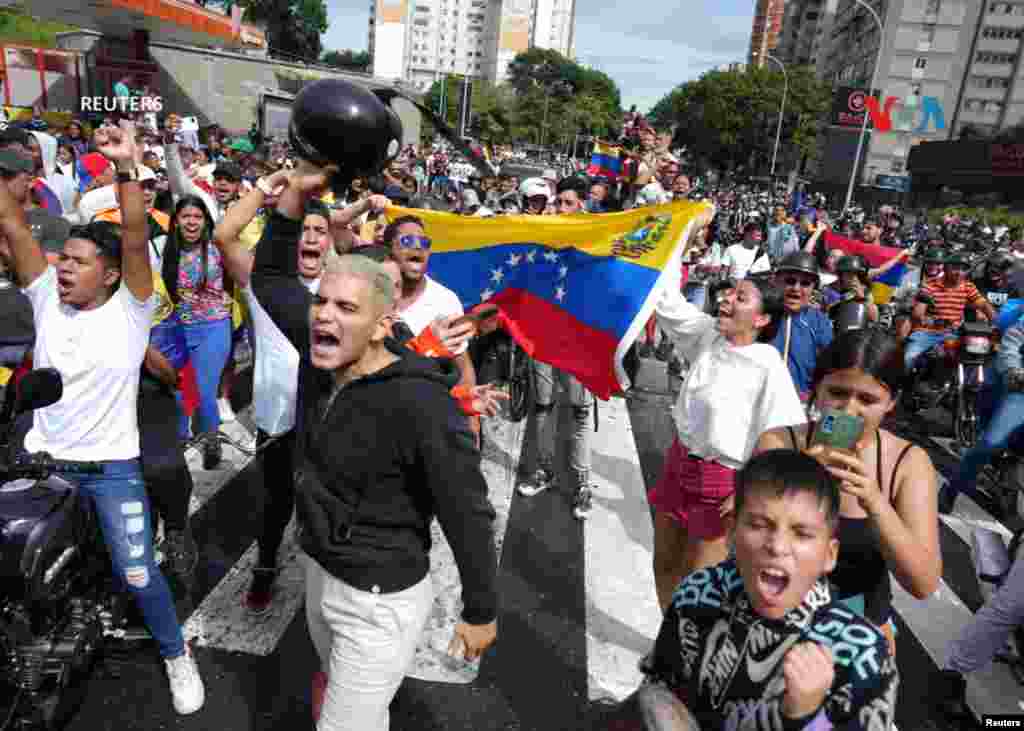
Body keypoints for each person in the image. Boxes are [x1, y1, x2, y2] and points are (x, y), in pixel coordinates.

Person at [252, 159, 498, 731]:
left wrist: (480, 609)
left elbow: (466, 506)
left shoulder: (421, 402)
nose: (323, 317)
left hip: (379, 601)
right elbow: (269, 278)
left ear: (382, 326)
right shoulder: (323, 352)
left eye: (345, 308)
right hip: (320, 572)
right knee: (340, 694)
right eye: (321, 303)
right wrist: (295, 198)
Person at [0, 121, 204, 714]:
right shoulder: (45, 300)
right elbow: (13, 224)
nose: (62, 267)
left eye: (80, 262)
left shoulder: (133, 311)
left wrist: (125, 169)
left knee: (139, 575)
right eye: (62, 258)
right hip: (45, 467)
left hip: (113, 470)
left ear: (111, 275)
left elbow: (137, 238)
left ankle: (176, 656)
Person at [638, 450, 898, 730]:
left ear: (829, 554)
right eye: (759, 525)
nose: (777, 546)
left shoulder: (861, 653)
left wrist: (808, 717)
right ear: (731, 532)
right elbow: (659, 692)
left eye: (802, 533)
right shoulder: (698, 593)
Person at [756, 330, 941, 654]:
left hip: (859, 641)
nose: (849, 409)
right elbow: (743, 548)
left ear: (891, 403)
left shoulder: (908, 463)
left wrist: (875, 501)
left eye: (867, 400)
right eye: (838, 393)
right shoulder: (779, 443)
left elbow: (923, 583)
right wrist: (797, 487)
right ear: (817, 391)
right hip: (772, 630)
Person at [648, 259, 804, 611]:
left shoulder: (768, 366)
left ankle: (686, 655)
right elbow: (665, 299)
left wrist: (748, 488)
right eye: (731, 292)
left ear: (762, 320)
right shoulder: (708, 335)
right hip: (678, 466)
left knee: (697, 583)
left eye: (742, 298)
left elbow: (781, 438)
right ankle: (667, 641)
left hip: (721, 484)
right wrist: (679, 238)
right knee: (664, 566)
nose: (727, 300)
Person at [516, 176, 596, 520]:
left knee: (579, 412)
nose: (560, 208)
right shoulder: (541, 233)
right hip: (543, 335)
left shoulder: (598, 237)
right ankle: (545, 470)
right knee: (544, 406)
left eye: (567, 202)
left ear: (581, 204)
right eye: (557, 202)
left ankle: (582, 485)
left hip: (578, 339)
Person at [939, 313, 1024, 514]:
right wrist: (1014, 371)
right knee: (990, 443)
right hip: (1020, 388)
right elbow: (1013, 339)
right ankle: (951, 490)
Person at [905, 250, 994, 372]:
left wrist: (996, 323)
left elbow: (984, 305)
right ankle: (906, 388)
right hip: (926, 332)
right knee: (910, 357)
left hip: (953, 333)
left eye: (963, 270)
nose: (959, 273)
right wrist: (929, 321)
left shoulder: (968, 287)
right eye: (955, 268)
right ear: (946, 269)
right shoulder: (929, 285)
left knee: (974, 356)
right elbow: (918, 313)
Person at [770, 251, 834, 401]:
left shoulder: (819, 322)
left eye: (805, 284)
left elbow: (830, 367)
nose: (796, 288)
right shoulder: (761, 314)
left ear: (813, 289)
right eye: (790, 281)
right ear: (777, 281)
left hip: (798, 403)